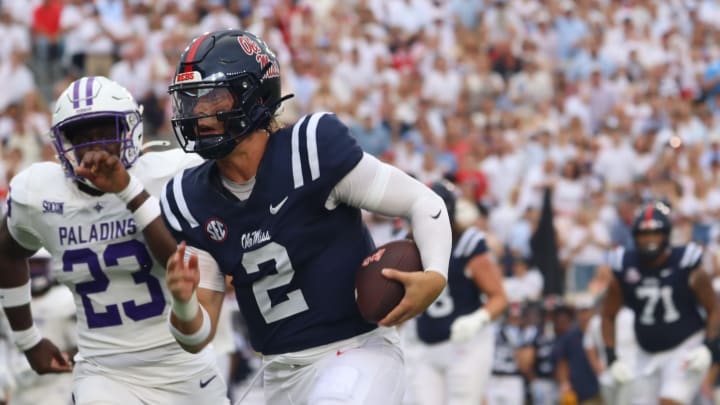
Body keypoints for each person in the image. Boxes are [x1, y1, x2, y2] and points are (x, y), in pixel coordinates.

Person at [160, 29, 451, 404]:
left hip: (356, 352)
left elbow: (424, 204)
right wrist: (183, 303)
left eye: (212, 97)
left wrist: (436, 276)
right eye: (190, 100)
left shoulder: (311, 150)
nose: (198, 113)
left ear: (254, 95)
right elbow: (196, 337)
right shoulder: (190, 198)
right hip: (277, 373)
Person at [0, 76, 230, 404]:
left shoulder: (169, 175)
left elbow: (175, 262)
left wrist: (127, 190)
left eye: (106, 133)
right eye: (82, 137)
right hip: (104, 371)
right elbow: (7, 251)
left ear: (130, 131)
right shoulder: (39, 195)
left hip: (182, 364)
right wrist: (27, 339)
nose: (94, 147)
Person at [602, 201, 720, 405]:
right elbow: (607, 315)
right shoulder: (624, 265)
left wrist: (709, 347)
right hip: (645, 351)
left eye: (655, 233)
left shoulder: (686, 262)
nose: (649, 240)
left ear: (666, 235)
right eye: (643, 234)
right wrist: (611, 357)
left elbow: (714, 308)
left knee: (670, 401)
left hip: (684, 345)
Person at [407, 180, 507, 405]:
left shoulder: (467, 244)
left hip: (465, 345)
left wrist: (477, 319)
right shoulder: (410, 245)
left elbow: (499, 298)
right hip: (425, 344)